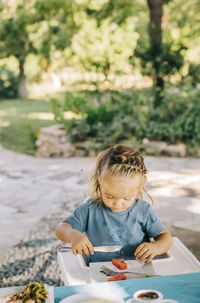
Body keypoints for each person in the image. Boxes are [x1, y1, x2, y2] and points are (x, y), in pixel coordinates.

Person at [56, 144, 172, 263]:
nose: (117, 203)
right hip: (99, 272)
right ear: (100, 183)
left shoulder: (143, 210)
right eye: (109, 196)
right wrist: (73, 235)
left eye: (126, 198)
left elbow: (166, 237)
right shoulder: (90, 208)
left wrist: (156, 247)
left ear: (138, 189)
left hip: (137, 271)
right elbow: (61, 228)